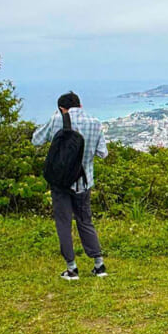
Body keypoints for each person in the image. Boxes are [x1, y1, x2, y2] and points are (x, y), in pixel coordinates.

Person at [32, 91, 109, 280]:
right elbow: (102, 153)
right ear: (80, 105)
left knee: (63, 223)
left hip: (60, 182)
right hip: (84, 181)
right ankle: (99, 265)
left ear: (61, 109)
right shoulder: (95, 123)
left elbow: (36, 140)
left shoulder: (56, 120)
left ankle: (72, 268)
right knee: (85, 220)